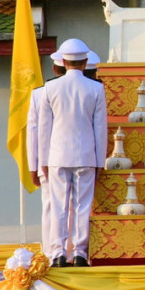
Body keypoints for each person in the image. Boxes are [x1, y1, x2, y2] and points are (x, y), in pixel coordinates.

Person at [38, 39, 107, 268]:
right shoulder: (96, 88)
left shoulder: (50, 87)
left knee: (58, 205)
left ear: (63, 62)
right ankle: (79, 253)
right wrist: (100, 161)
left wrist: (43, 159)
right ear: (85, 61)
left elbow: (44, 128)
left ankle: (58, 253)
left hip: (57, 155)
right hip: (86, 154)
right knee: (81, 206)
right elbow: (100, 128)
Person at [27, 51, 66, 261]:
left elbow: (33, 133)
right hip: (69, 160)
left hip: (48, 159)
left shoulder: (40, 93)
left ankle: (52, 253)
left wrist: (34, 164)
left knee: (51, 207)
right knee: (71, 207)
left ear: (54, 68)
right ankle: (66, 252)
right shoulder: (90, 90)